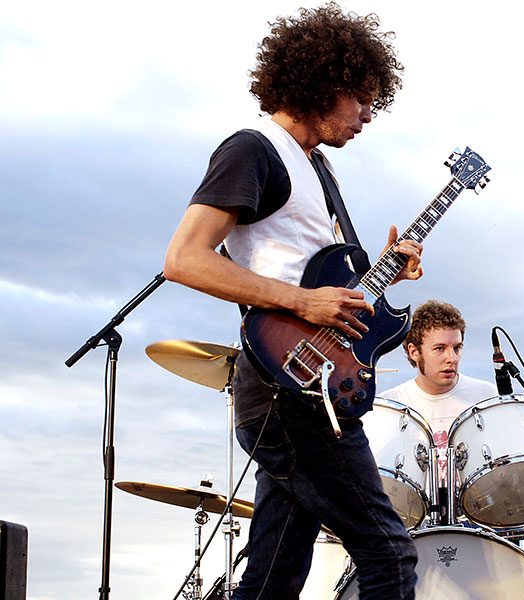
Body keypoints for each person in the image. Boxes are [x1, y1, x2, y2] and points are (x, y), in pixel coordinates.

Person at [162, 4, 422, 599]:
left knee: (275, 572)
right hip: (291, 390)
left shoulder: (316, 168)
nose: (367, 116)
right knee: (388, 553)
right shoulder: (254, 149)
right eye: (362, 99)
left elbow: (323, 282)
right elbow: (184, 258)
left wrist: (385, 278)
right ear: (325, 83)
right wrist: (303, 303)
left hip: (307, 386)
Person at [380, 300, 497, 481]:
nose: (452, 358)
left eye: (457, 348)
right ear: (414, 352)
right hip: (413, 508)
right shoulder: (390, 405)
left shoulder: (486, 395)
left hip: (476, 505)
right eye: (439, 349)